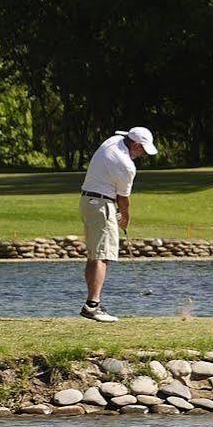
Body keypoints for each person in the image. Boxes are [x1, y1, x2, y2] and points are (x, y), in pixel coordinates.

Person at [78, 126, 155, 321]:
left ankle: (93, 302)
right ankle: (92, 306)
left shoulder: (112, 141)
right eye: (143, 151)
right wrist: (126, 218)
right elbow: (123, 198)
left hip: (88, 201)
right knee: (103, 256)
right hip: (102, 204)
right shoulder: (126, 165)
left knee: (94, 255)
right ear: (136, 145)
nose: (143, 155)